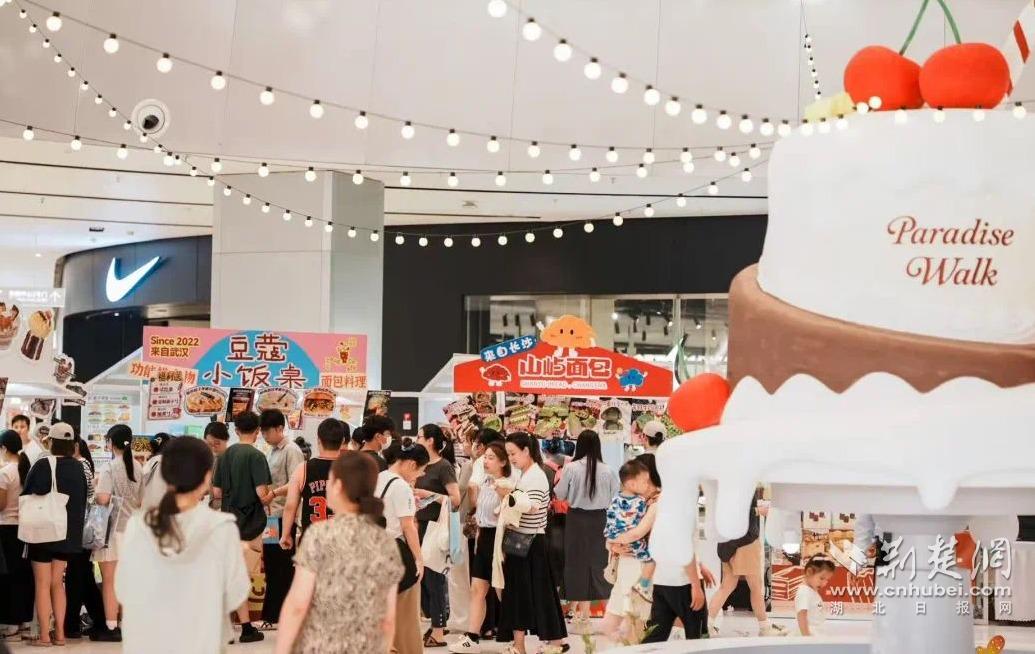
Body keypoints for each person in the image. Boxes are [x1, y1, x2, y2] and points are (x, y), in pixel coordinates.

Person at [117, 436, 251, 653]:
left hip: (147, 642)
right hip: (201, 641)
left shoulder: (138, 525)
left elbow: (123, 589)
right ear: (207, 477)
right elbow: (236, 593)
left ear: (165, 474)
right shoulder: (221, 527)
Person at [275, 451, 404, 654]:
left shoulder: (318, 535)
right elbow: (388, 620)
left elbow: (298, 605)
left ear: (338, 486)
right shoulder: (386, 542)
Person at [497, 433, 567, 654]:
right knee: (532, 593)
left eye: (513, 453)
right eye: (508, 454)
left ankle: (527, 645)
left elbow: (532, 507)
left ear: (526, 451)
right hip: (525, 539)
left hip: (529, 541)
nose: (511, 458)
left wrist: (509, 496)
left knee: (527, 593)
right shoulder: (526, 474)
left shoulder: (535, 476)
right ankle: (545, 643)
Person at [19, 423, 88, 647]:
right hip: (66, 534)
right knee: (58, 583)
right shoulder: (78, 467)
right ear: (72, 444)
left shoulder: (43, 464)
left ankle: (44, 637)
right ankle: (59, 634)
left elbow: (30, 492)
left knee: (42, 583)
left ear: (51, 441)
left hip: (43, 532)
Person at [212, 411, 274, 643]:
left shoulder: (224, 456)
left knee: (229, 574)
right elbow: (261, 494)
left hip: (228, 523)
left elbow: (217, 493)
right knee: (242, 576)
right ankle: (245, 628)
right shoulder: (257, 456)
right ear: (257, 431)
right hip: (250, 526)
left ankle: (230, 627)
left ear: (236, 431)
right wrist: (273, 495)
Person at [449, 441, 513, 653]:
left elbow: (507, 513)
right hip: (484, 536)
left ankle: (514, 636)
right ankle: (472, 637)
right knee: (477, 588)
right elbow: (479, 509)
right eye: (485, 457)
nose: (486, 461)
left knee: (502, 589)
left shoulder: (507, 484)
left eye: (491, 458)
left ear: (503, 462)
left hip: (500, 538)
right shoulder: (485, 481)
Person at [555, 430, 618, 633]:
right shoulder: (608, 470)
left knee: (577, 565)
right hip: (600, 520)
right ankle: (610, 619)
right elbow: (615, 497)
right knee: (601, 565)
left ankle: (582, 618)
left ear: (579, 446)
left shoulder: (571, 468)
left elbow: (560, 494)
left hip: (576, 520)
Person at [90, 424, 143, 643]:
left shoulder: (109, 467)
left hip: (112, 532)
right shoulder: (138, 466)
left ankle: (111, 626)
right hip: (132, 531)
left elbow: (103, 498)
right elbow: (142, 501)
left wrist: (95, 491)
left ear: (111, 443)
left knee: (110, 581)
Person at [708, 487, 785, 636]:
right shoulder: (744, 485)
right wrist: (758, 511)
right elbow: (739, 512)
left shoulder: (728, 486)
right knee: (755, 586)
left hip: (728, 542)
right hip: (745, 542)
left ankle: (708, 625)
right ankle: (765, 627)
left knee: (727, 586)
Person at [376, 440, 430, 654]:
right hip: (397, 553)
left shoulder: (379, 477)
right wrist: (419, 559)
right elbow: (408, 527)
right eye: (421, 470)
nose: (420, 475)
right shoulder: (401, 486)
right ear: (411, 464)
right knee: (406, 615)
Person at [599, 459, 657, 640]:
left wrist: (612, 541)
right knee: (630, 612)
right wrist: (613, 543)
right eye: (644, 481)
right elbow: (633, 533)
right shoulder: (641, 502)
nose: (647, 485)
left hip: (632, 561)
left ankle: (626, 641)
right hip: (633, 560)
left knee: (629, 612)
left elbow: (612, 531)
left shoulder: (619, 501)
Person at [414, 424, 460, 648]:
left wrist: (429, 495)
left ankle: (439, 630)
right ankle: (435, 625)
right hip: (420, 526)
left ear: (430, 440)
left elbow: (455, 500)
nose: (416, 440)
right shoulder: (420, 465)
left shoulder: (443, 467)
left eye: (419, 436)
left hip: (436, 528)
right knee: (422, 579)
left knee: (434, 579)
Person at [259, 409, 306, 629]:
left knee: (283, 567)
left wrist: (274, 493)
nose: (264, 436)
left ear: (279, 428)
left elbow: (296, 483)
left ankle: (280, 615)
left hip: (283, 517)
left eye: (267, 431)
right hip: (271, 518)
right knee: (271, 565)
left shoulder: (291, 450)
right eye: (262, 432)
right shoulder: (271, 451)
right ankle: (272, 614)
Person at [281, 418, 347, 549]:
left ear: (318, 440)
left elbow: (290, 506)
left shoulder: (303, 469)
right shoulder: (352, 469)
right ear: (343, 441)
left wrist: (285, 534)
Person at [64, 437, 104, 640]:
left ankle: (72, 625)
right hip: (83, 530)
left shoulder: (80, 465)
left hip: (80, 530)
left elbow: (85, 499)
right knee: (84, 577)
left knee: (76, 577)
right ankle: (98, 620)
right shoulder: (84, 465)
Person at [0, 431, 32, 639]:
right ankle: (25, 619)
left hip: (6, 528)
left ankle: (11, 622)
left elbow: (1, 505)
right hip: (24, 528)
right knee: (23, 575)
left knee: (8, 577)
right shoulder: (25, 469)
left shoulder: (5, 473)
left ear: (4, 448)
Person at [795, 556, 835, 636]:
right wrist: (807, 637)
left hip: (816, 633)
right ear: (809, 572)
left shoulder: (811, 590)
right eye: (821, 578)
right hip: (809, 634)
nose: (824, 583)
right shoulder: (804, 592)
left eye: (827, 580)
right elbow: (802, 615)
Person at [140, 432, 173, 510]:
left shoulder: (151, 462)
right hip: (162, 506)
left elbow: (141, 481)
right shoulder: (169, 462)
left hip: (148, 506)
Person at [204, 422, 230, 511]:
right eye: (209, 444)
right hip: (214, 509)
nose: (213, 448)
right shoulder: (211, 459)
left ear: (226, 439)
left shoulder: (232, 459)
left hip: (228, 510)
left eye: (217, 443)